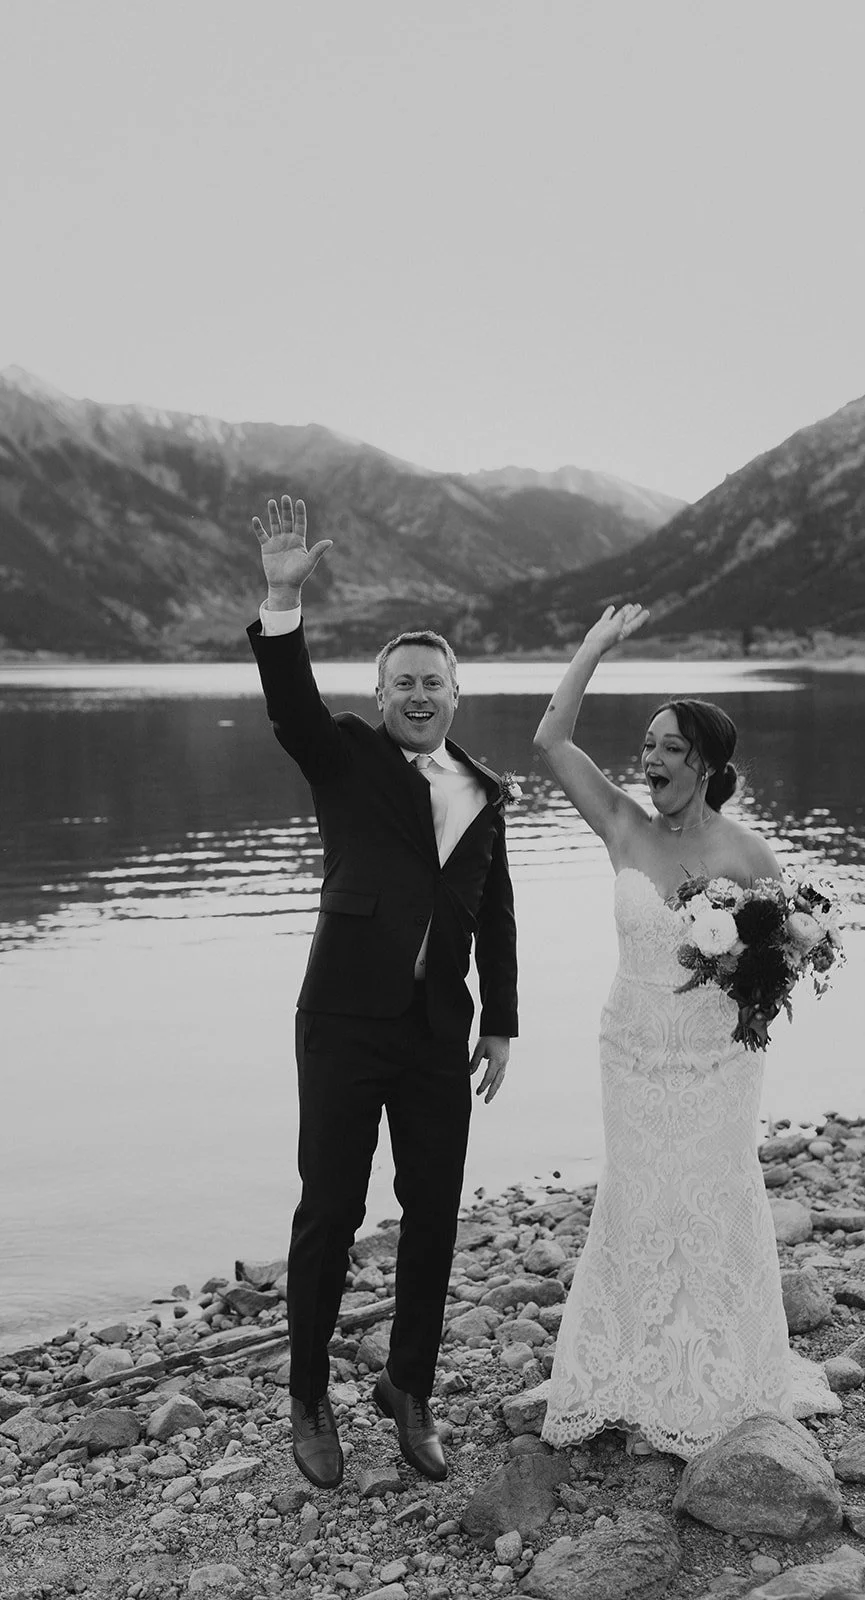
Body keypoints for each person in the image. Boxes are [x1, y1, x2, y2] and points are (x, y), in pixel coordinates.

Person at [247, 495, 518, 1489]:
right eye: (401, 681)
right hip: (343, 1021)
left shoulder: (486, 793)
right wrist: (282, 601)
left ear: (457, 692)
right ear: (382, 690)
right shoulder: (347, 756)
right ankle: (309, 1394)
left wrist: (502, 1023)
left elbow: (495, 914)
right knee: (330, 1205)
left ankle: (409, 1388)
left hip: (437, 1033)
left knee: (437, 1213)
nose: (417, 693)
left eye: (432, 682)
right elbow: (289, 707)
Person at [533, 603, 794, 1459]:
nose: (650, 764)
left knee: (712, 1196)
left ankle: (722, 1375)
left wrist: (748, 994)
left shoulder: (748, 856)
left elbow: (786, 956)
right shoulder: (623, 827)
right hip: (631, 1048)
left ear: (707, 764)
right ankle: (630, 1371)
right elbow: (550, 741)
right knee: (640, 1198)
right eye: (646, 749)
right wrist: (594, 648)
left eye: (669, 750)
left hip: (716, 1062)